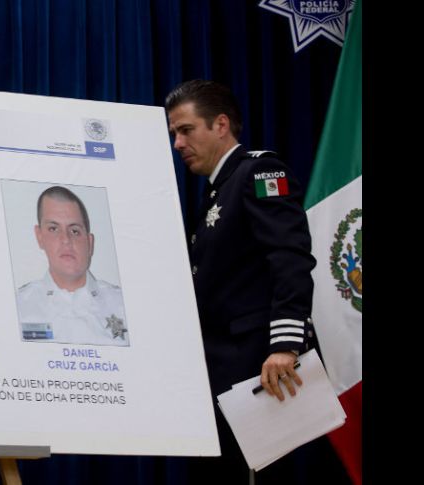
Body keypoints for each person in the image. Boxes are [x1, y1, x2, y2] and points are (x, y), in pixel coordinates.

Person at [165, 80, 317, 483]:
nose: (178, 143)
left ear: (220, 124)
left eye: (186, 130)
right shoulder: (218, 191)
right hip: (223, 366)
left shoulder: (259, 172)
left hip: (259, 367)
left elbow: (290, 258)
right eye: (174, 134)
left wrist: (285, 345)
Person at [17, 186, 128, 346]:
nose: (66, 240)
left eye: (75, 231)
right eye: (53, 229)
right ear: (39, 236)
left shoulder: (123, 305)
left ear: (89, 242)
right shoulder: (18, 307)